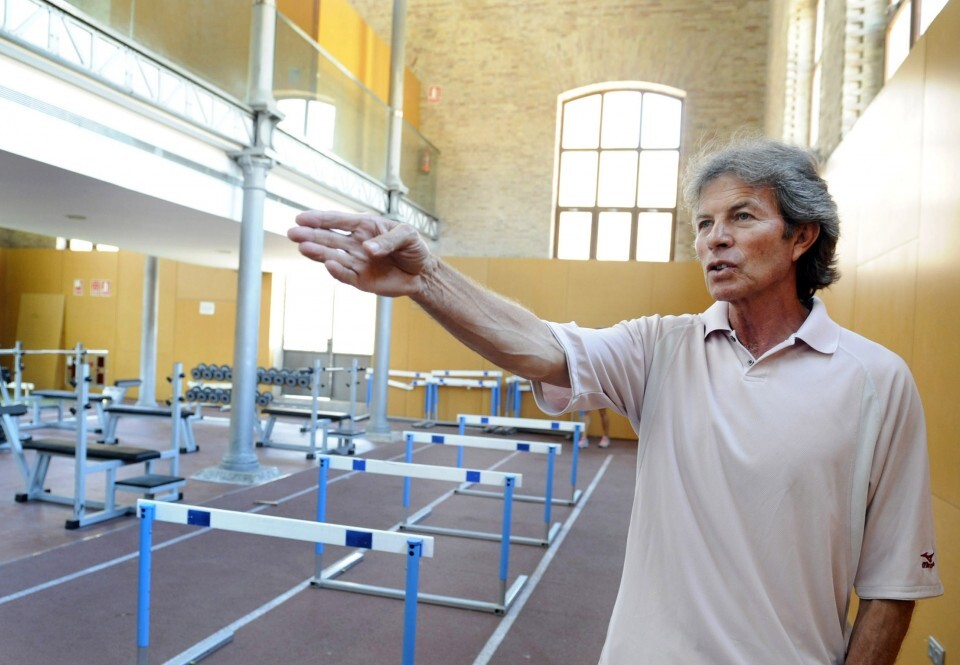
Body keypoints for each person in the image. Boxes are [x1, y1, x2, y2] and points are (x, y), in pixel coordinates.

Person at [287, 136, 942, 664]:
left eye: (742, 216)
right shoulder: (662, 348)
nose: (715, 237)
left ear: (802, 236)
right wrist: (426, 276)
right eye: (704, 222)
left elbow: (893, 584)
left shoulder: (875, 381)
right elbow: (534, 344)